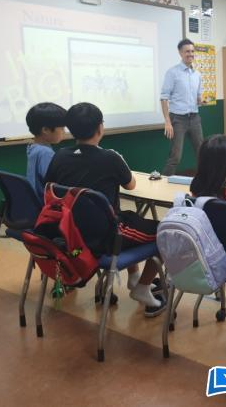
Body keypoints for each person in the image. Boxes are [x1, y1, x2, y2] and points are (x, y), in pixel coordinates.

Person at [45, 103, 165, 317]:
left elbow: (51, 186)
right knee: (166, 232)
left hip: (69, 232)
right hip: (104, 236)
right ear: (100, 128)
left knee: (132, 219)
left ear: (71, 130)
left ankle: (134, 277)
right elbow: (131, 185)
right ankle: (142, 288)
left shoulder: (60, 155)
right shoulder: (110, 157)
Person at [160, 38, 204, 176]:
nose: (190, 54)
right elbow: (164, 98)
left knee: (202, 153)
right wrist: (167, 122)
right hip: (178, 119)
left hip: (194, 118)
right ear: (180, 53)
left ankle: (205, 182)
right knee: (175, 157)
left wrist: (201, 100)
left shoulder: (197, 74)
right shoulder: (172, 73)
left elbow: (198, 97)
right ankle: (163, 184)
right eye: (187, 51)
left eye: (192, 51)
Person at [25, 102, 67, 199]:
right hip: (45, 202)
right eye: (62, 128)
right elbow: (54, 184)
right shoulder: (45, 153)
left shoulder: (33, 147)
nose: (64, 132)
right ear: (46, 130)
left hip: (35, 200)